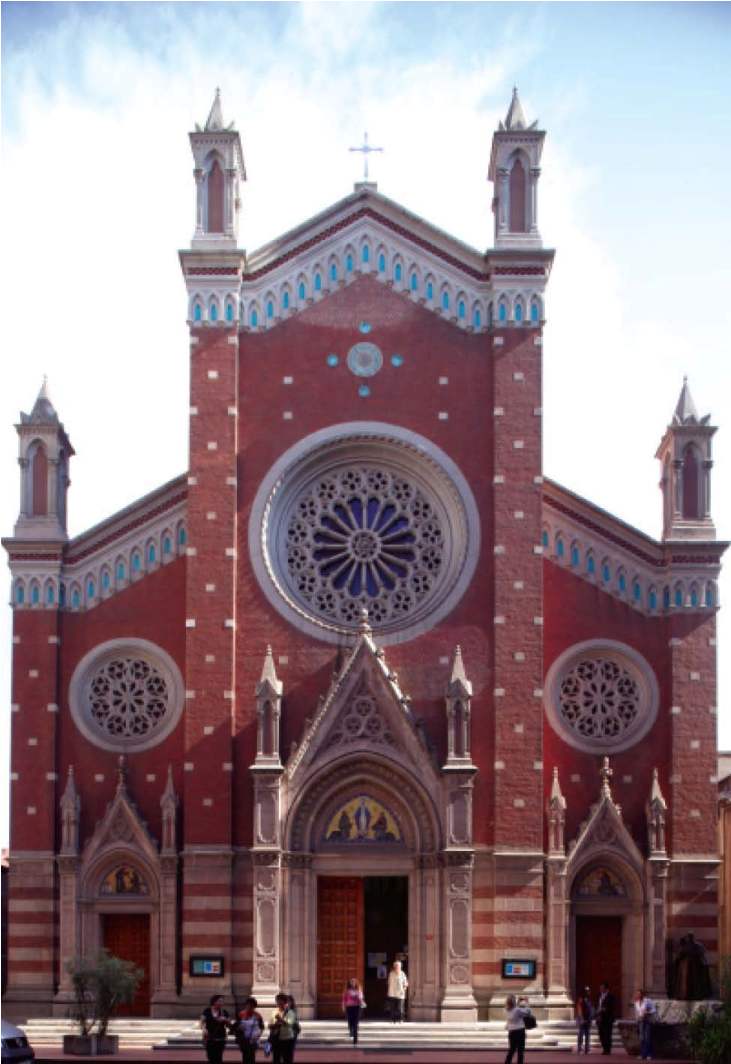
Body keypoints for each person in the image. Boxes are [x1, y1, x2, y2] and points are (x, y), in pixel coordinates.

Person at [231, 997, 264, 1064]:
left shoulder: (258, 1015)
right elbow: (234, 1027)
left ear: (254, 1006)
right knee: (245, 1056)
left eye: (252, 1006)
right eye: (248, 1005)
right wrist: (239, 1028)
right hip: (243, 1040)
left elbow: (261, 1027)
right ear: (246, 1005)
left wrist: (258, 1035)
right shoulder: (241, 1014)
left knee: (252, 1056)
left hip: (253, 1040)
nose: (249, 1007)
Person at [268, 992, 298, 1064]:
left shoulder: (290, 1012)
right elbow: (269, 1025)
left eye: (280, 1001)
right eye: (277, 1001)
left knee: (287, 1059)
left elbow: (289, 1023)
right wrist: (274, 1025)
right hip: (276, 1039)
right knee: (276, 1059)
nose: (278, 1003)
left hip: (287, 1039)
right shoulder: (274, 1012)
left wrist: (280, 1019)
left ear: (284, 1002)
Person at [200, 994, 230, 1064]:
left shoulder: (224, 1012)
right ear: (214, 1002)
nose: (221, 1003)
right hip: (209, 1038)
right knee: (210, 1057)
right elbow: (202, 1022)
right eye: (219, 1001)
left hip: (220, 1038)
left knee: (219, 1057)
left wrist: (225, 1020)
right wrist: (204, 1029)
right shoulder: (207, 1011)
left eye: (222, 1001)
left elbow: (229, 1025)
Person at [504, 994, 530, 1064]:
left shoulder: (506, 1010)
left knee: (511, 1050)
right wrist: (527, 1002)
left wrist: (518, 1003)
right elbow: (528, 1012)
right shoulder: (517, 1010)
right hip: (520, 1031)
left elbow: (515, 1009)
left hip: (511, 1032)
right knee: (520, 1051)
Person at [633, 989, 657, 1061]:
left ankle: (649, 1054)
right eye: (636, 994)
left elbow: (654, 1010)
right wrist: (637, 1018)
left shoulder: (648, 1001)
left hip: (647, 1021)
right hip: (640, 1021)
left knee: (647, 1038)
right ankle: (643, 1054)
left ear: (642, 994)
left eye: (639, 994)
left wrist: (647, 1012)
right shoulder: (636, 1002)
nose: (637, 995)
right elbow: (637, 1012)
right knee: (642, 1038)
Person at [342, 977, 365, 1044]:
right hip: (349, 1007)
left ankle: (355, 1039)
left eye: (354, 982)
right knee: (350, 1021)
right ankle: (351, 1030)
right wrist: (343, 1006)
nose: (353, 983)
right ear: (349, 983)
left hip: (357, 1007)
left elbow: (361, 998)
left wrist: (361, 1000)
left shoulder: (359, 990)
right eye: (351, 982)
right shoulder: (346, 990)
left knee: (355, 1023)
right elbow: (344, 999)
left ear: (356, 983)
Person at [596, 982, 616, 1055]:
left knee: (607, 1034)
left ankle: (607, 1049)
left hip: (608, 1018)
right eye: (600, 988)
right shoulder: (599, 996)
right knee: (601, 1034)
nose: (601, 989)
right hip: (600, 1018)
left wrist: (604, 1009)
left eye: (602, 988)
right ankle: (604, 1048)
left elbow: (612, 1006)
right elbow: (598, 1005)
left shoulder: (611, 996)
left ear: (606, 988)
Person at [575, 987, 594, 1054]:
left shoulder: (589, 1000)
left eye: (589, 991)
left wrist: (591, 1018)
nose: (589, 992)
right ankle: (580, 1048)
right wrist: (581, 1018)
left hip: (588, 1019)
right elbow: (579, 1008)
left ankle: (587, 1049)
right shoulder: (581, 999)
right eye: (587, 991)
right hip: (582, 1019)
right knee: (581, 1034)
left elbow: (591, 1009)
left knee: (587, 1034)